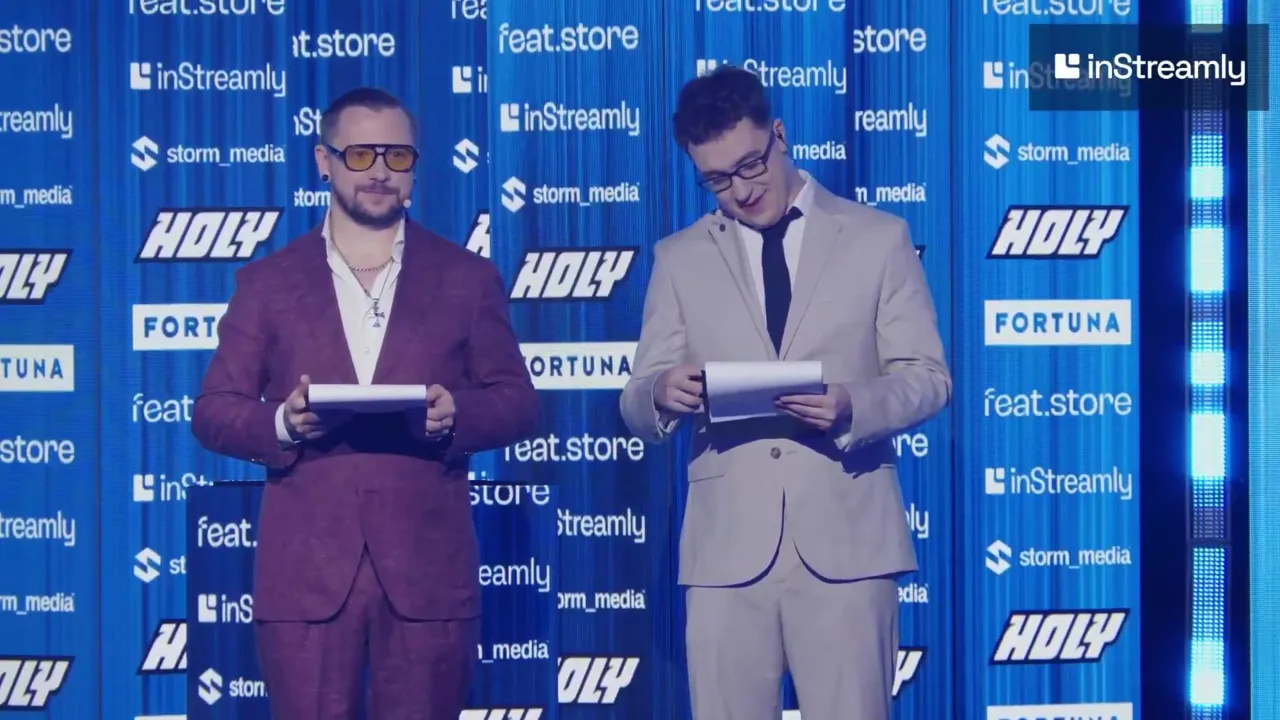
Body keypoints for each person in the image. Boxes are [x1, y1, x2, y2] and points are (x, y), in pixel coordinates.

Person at [191, 87, 538, 719]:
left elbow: (517, 403)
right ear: (323, 161)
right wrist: (283, 421)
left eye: (397, 155)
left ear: (415, 167)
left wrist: (457, 414)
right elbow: (214, 410)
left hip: (429, 575)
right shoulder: (268, 283)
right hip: (306, 578)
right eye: (360, 155)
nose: (379, 170)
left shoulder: (467, 278)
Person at [620, 66, 951, 720]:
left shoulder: (877, 237)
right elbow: (636, 398)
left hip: (849, 544)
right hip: (725, 555)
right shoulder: (679, 257)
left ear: (779, 134)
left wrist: (852, 403)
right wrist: (661, 391)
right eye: (717, 180)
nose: (741, 191)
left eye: (750, 165)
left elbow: (928, 377)